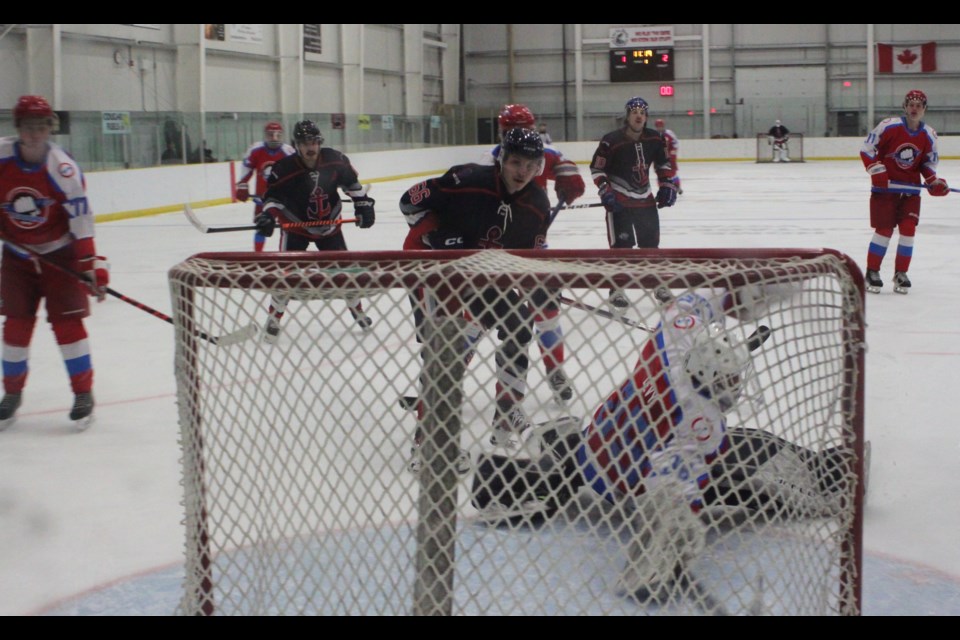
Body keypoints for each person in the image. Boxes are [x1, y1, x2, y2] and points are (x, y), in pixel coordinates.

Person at [470, 285, 860, 599]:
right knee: (756, 453)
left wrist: (728, 297)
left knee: (599, 433)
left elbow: (684, 308)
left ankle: (527, 459)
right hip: (633, 485)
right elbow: (675, 489)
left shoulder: (663, 354)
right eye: (730, 383)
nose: (735, 390)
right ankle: (825, 476)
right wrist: (676, 530)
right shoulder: (700, 423)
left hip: (593, 455)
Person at [399, 128, 552, 470]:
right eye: (515, 162)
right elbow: (409, 201)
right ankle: (425, 443)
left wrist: (539, 281)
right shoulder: (465, 178)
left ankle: (507, 413)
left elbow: (529, 257)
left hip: (481, 276)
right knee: (445, 350)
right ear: (502, 160)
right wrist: (436, 238)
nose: (522, 172)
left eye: (531, 164)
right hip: (434, 273)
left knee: (519, 324)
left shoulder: (538, 204)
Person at [0, 95, 109, 430]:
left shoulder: (62, 168)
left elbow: (81, 220)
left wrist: (89, 264)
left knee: (68, 327)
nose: (35, 134)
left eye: (41, 126)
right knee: (15, 327)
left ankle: (83, 393)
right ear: (19, 128)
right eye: (29, 127)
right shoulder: (2, 156)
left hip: (59, 255)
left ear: (50, 128)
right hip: (17, 257)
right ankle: (12, 394)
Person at [483, 104, 586, 404]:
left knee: (547, 313)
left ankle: (555, 370)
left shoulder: (544, 152)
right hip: (493, 253)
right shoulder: (489, 160)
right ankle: (452, 376)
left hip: (534, 250)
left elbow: (566, 166)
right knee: (475, 321)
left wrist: (570, 182)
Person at [253, 120, 376, 342]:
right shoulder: (284, 169)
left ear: (319, 143)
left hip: (329, 228)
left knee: (345, 274)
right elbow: (272, 198)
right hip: (296, 228)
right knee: (285, 277)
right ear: (297, 146)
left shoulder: (335, 160)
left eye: (313, 142)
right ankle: (274, 318)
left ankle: (358, 312)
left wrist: (363, 204)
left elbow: (353, 186)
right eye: (304, 143)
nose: (310, 147)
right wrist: (267, 216)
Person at [589, 96, 678, 308]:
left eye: (642, 112)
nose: (639, 115)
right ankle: (616, 289)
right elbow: (597, 168)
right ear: (627, 116)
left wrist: (667, 184)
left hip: (645, 201)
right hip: (619, 203)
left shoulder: (655, 139)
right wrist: (605, 190)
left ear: (646, 117)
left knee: (651, 247)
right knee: (621, 248)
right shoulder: (611, 140)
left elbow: (664, 164)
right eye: (634, 111)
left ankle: (658, 284)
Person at [860, 90, 948, 295]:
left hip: (910, 192)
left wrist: (933, 181)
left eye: (919, 105)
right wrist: (875, 169)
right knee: (884, 231)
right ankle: (872, 271)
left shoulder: (929, 135)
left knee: (908, 231)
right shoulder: (889, 126)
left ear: (924, 109)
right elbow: (867, 149)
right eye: (911, 104)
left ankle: (901, 273)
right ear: (905, 107)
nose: (915, 108)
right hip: (885, 190)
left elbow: (927, 163)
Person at [235, 122, 296, 251]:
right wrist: (242, 185)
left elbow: (296, 173)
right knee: (261, 226)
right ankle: (258, 255)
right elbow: (247, 168)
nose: (274, 138)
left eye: (277, 135)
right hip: (262, 199)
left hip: (283, 199)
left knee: (287, 228)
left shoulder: (288, 151)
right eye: (270, 135)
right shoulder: (255, 150)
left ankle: (285, 255)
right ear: (265, 135)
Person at [654, 118, 682, 195]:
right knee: (660, 174)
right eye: (658, 126)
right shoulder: (653, 135)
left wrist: (673, 151)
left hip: (670, 157)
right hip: (658, 158)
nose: (659, 127)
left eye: (661, 126)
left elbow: (675, 142)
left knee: (672, 173)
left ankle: (677, 187)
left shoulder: (669, 133)